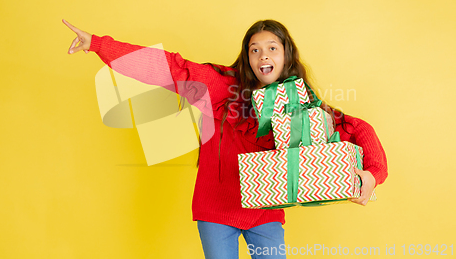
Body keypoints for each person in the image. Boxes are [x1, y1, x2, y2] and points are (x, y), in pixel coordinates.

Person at [64, 19, 388, 259]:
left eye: (272, 48)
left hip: (265, 212)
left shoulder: (301, 102)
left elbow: (357, 129)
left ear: (286, 55)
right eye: (255, 49)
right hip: (215, 210)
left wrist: (373, 174)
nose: (263, 55)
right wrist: (98, 43)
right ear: (248, 57)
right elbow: (170, 68)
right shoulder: (223, 87)